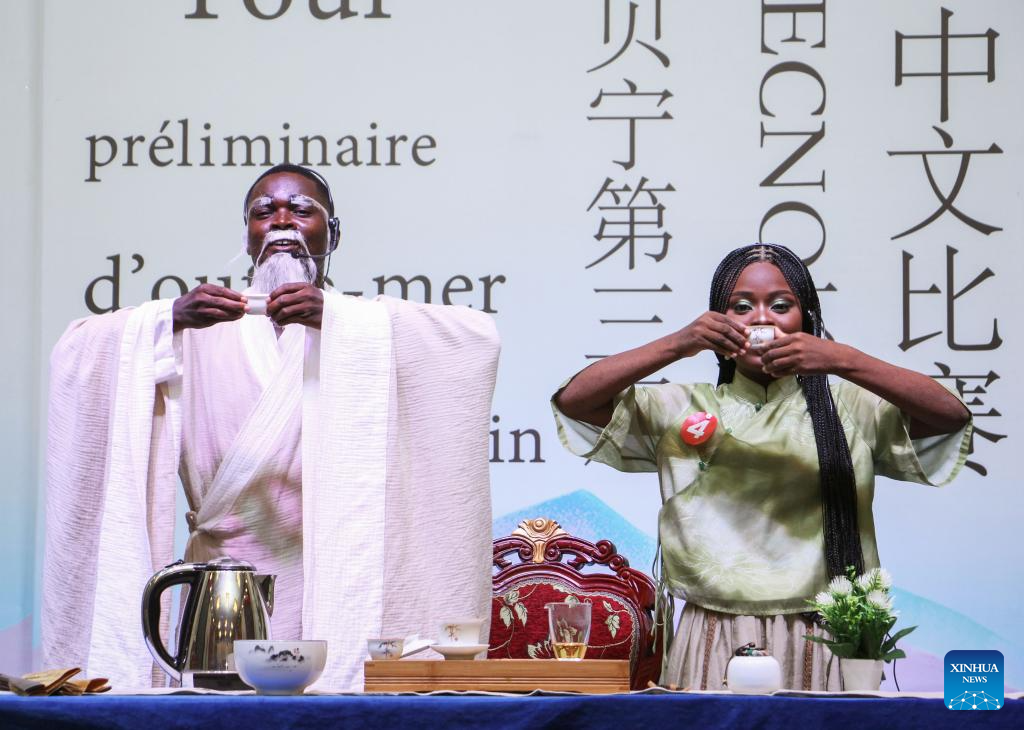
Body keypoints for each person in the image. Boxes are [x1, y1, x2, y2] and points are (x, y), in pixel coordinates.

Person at [44, 164, 500, 691]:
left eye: (302, 210)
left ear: (333, 233)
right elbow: (75, 353)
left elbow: (477, 340)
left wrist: (338, 318)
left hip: (337, 571)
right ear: (247, 236)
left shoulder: (363, 329)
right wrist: (167, 318)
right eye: (264, 212)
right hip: (222, 587)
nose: (282, 221)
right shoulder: (199, 329)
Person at [551, 243, 971, 690]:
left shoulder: (848, 406)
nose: (761, 319)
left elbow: (950, 416)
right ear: (717, 322)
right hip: (711, 626)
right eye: (741, 307)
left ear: (806, 320)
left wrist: (841, 359)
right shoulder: (684, 405)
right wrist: (679, 343)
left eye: (781, 306)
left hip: (823, 627)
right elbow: (575, 402)